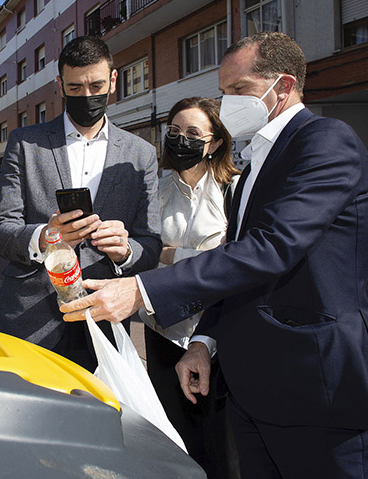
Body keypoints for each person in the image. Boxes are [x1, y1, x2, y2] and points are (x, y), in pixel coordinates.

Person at [61, 32, 368, 478]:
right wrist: (204, 342)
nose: (228, 102)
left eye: (239, 90)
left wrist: (142, 289)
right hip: (254, 391)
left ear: (283, 87)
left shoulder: (325, 141)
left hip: (319, 388)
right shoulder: (258, 157)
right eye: (224, 91)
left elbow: (272, 249)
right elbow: (240, 265)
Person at [0, 36, 162, 371]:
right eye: (75, 87)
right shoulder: (25, 144)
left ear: (113, 81)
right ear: (60, 85)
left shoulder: (141, 154)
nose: (87, 96)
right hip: (28, 320)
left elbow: (151, 243)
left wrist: (125, 251)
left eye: (96, 85)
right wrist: (45, 236)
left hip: (104, 321)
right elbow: (0, 230)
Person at [140, 96, 240, 479]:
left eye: (193, 133)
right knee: (175, 443)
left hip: (215, 331)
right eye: (174, 131)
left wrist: (169, 255)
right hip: (163, 330)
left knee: (224, 451)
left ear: (214, 142)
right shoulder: (156, 189)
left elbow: (236, 263)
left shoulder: (234, 190)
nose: (181, 140)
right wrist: (198, 257)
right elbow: (145, 250)